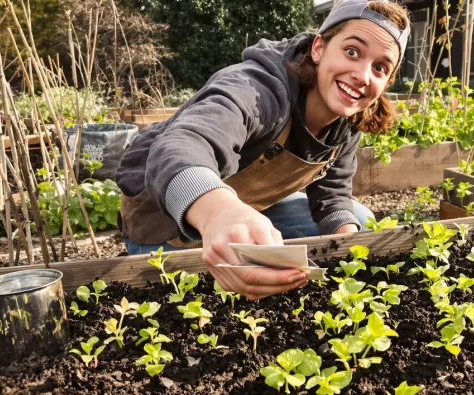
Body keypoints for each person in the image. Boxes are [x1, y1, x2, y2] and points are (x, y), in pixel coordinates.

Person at [115, 0, 410, 301]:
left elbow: (332, 194)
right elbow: (182, 144)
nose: (362, 75)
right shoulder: (258, 89)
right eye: (351, 52)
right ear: (319, 48)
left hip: (244, 212)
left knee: (359, 219)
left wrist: (348, 254)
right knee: (196, 300)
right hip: (162, 224)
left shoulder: (346, 121)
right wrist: (219, 214)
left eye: (380, 67)